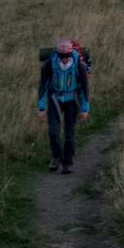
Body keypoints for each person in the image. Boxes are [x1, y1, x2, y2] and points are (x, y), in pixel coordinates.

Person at [36, 39, 91, 174]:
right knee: (53, 132)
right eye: (61, 56)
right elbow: (43, 85)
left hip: (72, 100)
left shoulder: (79, 66)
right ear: (57, 54)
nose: (64, 59)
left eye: (66, 56)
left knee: (69, 134)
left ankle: (67, 163)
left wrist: (85, 109)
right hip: (54, 99)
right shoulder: (49, 64)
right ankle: (56, 158)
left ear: (71, 54)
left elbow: (84, 88)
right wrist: (41, 107)